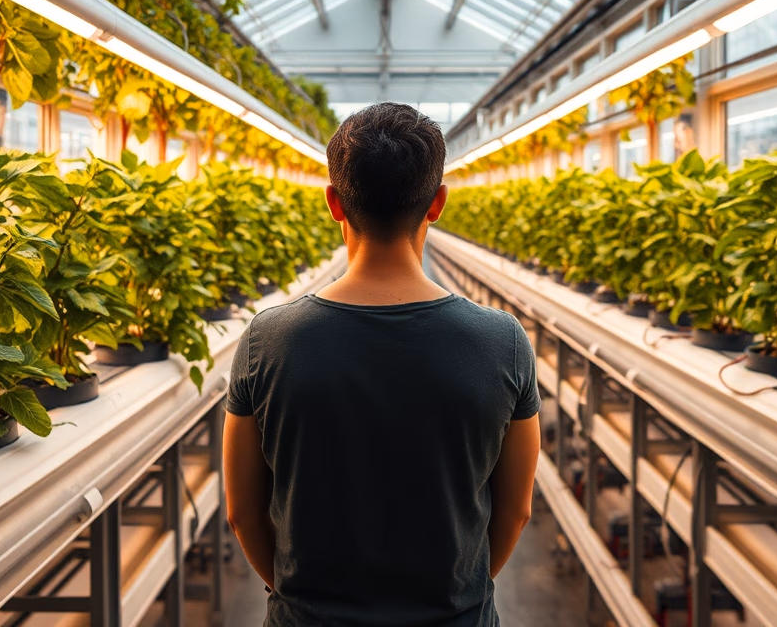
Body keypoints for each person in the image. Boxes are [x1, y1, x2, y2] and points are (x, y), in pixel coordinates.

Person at [223, 102, 541, 626]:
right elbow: (516, 509)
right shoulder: (500, 342)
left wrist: (297, 598)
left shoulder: (268, 341)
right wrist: (462, 595)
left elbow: (242, 512)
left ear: (334, 203)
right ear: (437, 203)